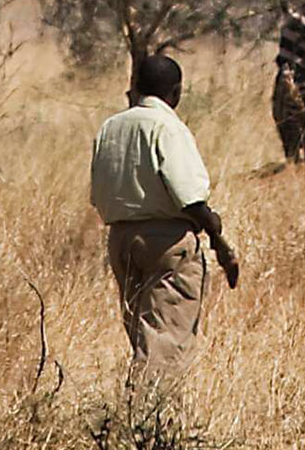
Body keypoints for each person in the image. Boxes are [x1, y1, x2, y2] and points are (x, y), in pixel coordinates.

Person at [90, 54, 240, 384]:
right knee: (164, 344)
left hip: (121, 240)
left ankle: (138, 418)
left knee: (142, 336)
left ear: (136, 88)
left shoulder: (110, 128)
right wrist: (214, 227)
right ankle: (148, 423)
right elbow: (189, 197)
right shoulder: (168, 127)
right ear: (175, 92)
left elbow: (97, 194)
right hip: (167, 243)